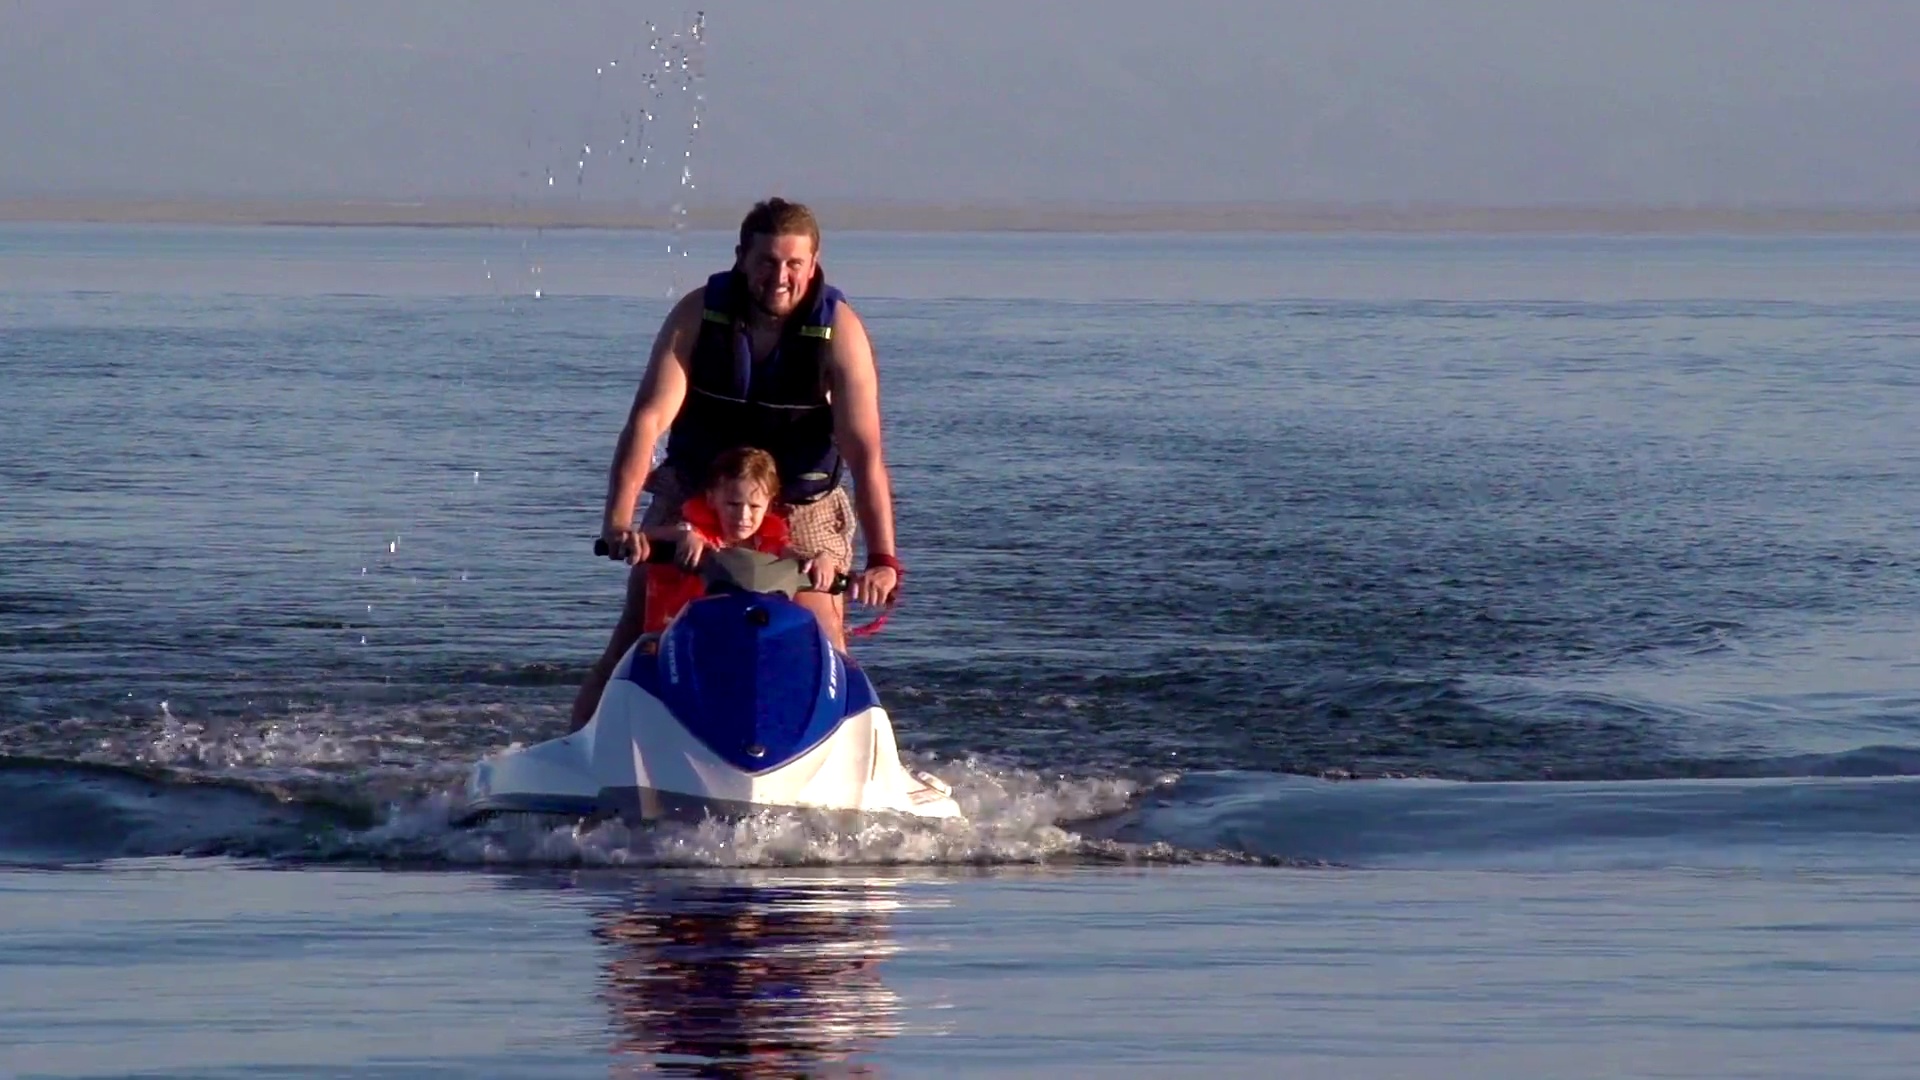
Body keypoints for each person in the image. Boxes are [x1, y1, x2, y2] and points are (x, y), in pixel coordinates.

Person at [570, 197, 904, 731]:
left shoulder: (840, 331)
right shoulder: (698, 314)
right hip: (699, 497)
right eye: (767, 261)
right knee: (635, 635)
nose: (780, 276)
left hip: (802, 504)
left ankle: (830, 746)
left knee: (823, 639)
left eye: (794, 263)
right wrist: (618, 524)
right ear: (741, 259)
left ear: (813, 265)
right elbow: (647, 422)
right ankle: (581, 751)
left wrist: (884, 558)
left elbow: (866, 456)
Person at [636, 445, 822, 635]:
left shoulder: (771, 541)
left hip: (746, 632)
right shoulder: (697, 535)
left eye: (755, 506)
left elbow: (796, 556)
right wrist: (681, 535)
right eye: (733, 504)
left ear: (768, 507)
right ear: (711, 499)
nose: (743, 516)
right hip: (686, 633)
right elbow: (651, 535)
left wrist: (818, 560)